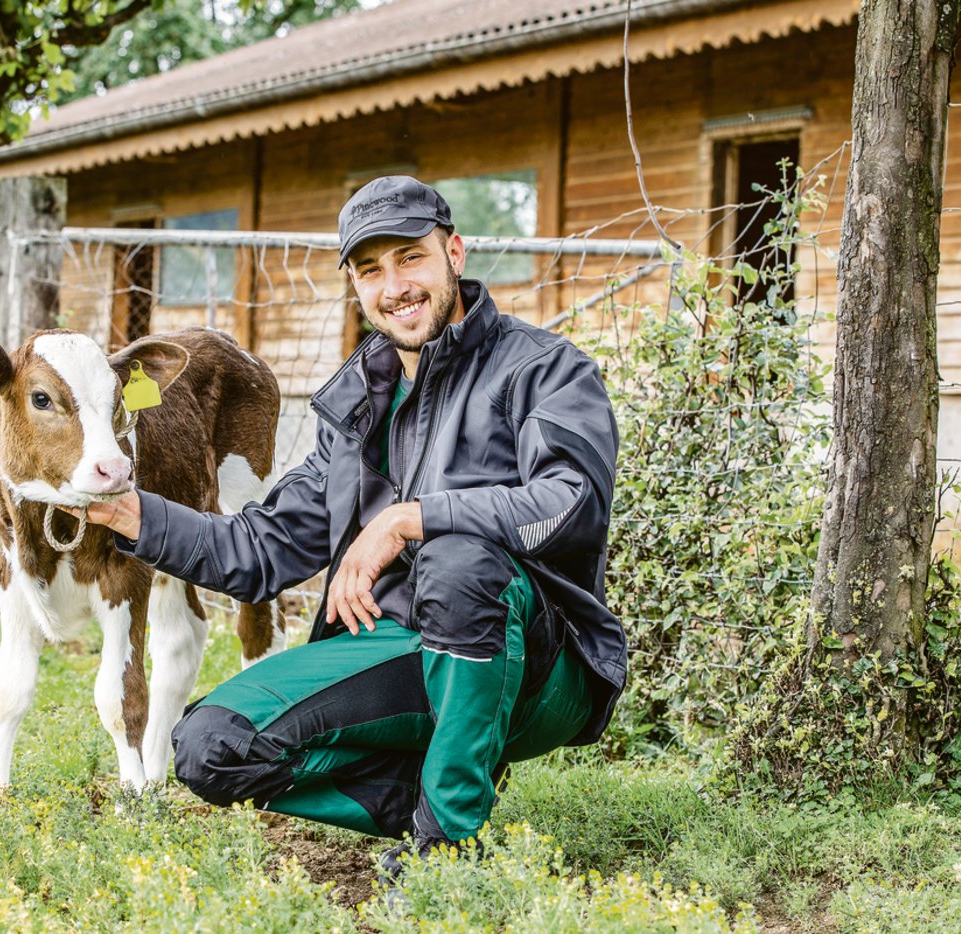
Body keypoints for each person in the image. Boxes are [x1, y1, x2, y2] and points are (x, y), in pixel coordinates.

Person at [80, 176, 626, 872]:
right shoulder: (358, 404)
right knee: (211, 746)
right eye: (370, 270)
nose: (394, 286)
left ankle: (446, 851)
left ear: (454, 253)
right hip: (400, 650)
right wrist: (133, 515)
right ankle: (427, 797)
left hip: (535, 666)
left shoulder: (546, 370)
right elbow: (260, 549)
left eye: (411, 258)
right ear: (356, 286)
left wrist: (409, 519)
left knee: (459, 561)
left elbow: (570, 501)